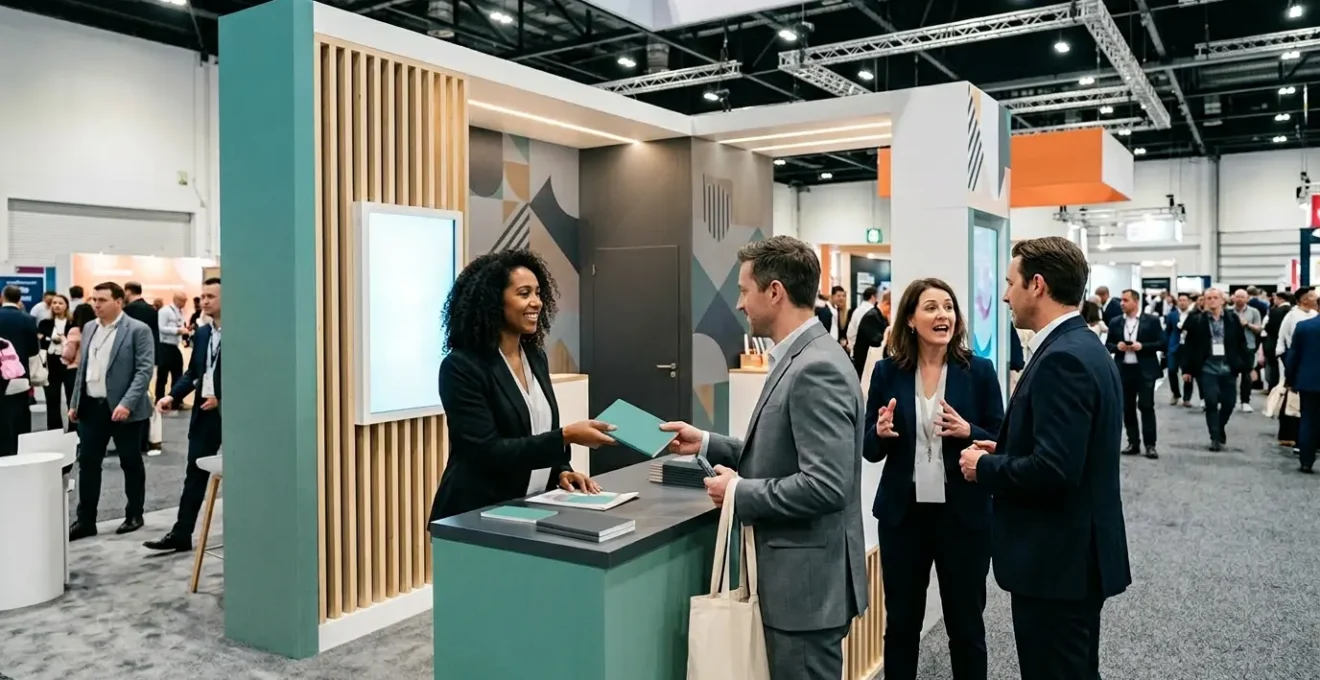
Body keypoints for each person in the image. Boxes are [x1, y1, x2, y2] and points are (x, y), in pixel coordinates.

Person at [659, 236, 868, 680]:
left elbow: (826, 486)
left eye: (743, 290)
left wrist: (738, 492)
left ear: (775, 292)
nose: (739, 304)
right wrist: (707, 442)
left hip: (805, 591)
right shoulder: (804, 357)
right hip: (800, 586)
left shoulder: (815, 367)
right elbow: (782, 453)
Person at [958, 236, 1130, 680]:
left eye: (1010, 283)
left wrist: (985, 467)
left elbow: (1055, 470)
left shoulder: (1063, 359)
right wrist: (1007, 450)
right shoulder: (1081, 345)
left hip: (1057, 562)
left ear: (1037, 285)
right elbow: (1071, 449)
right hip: (1071, 557)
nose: (1004, 296)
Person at [863, 278, 1003, 680]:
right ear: (910, 319)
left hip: (963, 517)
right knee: (901, 624)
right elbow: (869, 448)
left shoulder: (978, 371)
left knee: (966, 626)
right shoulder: (887, 372)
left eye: (948, 307)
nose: (943, 315)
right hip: (903, 518)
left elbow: (1002, 440)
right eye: (931, 307)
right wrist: (881, 432)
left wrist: (969, 431)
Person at [428, 249, 613, 522]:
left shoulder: (535, 357)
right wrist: (565, 436)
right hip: (476, 514)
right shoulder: (461, 367)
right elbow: (486, 453)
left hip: (530, 509)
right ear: (494, 301)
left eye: (538, 293)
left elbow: (537, 428)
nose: (536, 302)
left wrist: (561, 470)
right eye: (524, 293)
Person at [68, 282, 156, 540]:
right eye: (94, 299)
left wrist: (127, 403)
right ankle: (86, 520)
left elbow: (144, 371)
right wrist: (75, 402)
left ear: (119, 301)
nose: (96, 304)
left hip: (123, 409)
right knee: (88, 464)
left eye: (102, 300)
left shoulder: (137, 330)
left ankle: (134, 514)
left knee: (130, 461)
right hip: (91, 407)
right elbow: (83, 369)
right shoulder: (89, 327)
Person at [145, 279, 223, 552]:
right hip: (204, 414)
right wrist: (172, 396)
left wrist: (223, 397)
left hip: (235, 417)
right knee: (195, 472)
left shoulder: (244, 332)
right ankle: (181, 533)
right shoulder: (202, 334)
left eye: (211, 296)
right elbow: (193, 373)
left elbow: (253, 375)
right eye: (203, 296)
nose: (205, 301)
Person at [1180, 288, 1250, 452]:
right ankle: (1215, 437)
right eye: (1208, 298)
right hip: (1207, 367)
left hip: (1228, 366)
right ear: (1204, 301)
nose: (1212, 301)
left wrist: (1247, 366)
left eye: (1215, 298)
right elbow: (1189, 346)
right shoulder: (1197, 320)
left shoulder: (1232, 319)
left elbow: (1241, 343)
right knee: (1211, 402)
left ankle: (1220, 426)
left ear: (1222, 301)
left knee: (1229, 403)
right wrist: (1186, 369)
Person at [1105, 289, 1165, 459]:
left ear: (1136, 302)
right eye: (1121, 300)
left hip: (1145, 370)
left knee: (1146, 406)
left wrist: (1143, 346)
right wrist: (1117, 347)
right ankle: (1133, 442)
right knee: (1127, 408)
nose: (1122, 303)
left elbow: (1162, 343)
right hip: (1124, 370)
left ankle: (1150, 445)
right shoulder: (1116, 322)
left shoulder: (1151, 321)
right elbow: (1108, 344)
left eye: (1126, 300)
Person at [1276, 287, 1317, 448]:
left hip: (1308, 363)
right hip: (1293, 361)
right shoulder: (1292, 316)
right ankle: (1289, 434)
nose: (1316, 298)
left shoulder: (1313, 315)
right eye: (1312, 296)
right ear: (1303, 299)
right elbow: (1284, 340)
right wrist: (1288, 366)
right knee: (1292, 400)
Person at [0, 285, 38, 454]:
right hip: (19, 373)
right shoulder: (28, 319)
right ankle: (20, 450)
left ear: (2, 297)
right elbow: (34, 350)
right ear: (19, 299)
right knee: (20, 412)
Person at [1285, 314, 1320, 474]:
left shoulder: (1304, 326)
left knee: (1308, 420)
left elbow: (1293, 355)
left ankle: (1306, 460)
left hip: (1309, 381)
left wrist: (1290, 379)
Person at [37, 294, 74, 431]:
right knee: (52, 399)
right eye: (54, 303)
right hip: (50, 363)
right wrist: (49, 339)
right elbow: (40, 338)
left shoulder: (72, 324)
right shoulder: (45, 323)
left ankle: (73, 431)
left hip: (69, 364)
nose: (57, 305)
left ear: (66, 306)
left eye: (60, 303)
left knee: (71, 399)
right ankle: (54, 430)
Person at [1231, 289, 1263, 412]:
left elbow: (1259, 329)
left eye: (1242, 297)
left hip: (1249, 346)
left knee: (1246, 375)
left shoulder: (1254, 311)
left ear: (1247, 298)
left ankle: (1245, 401)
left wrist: (1247, 324)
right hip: (1232, 347)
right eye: (1237, 296)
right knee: (1230, 375)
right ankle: (1230, 400)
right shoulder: (1228, 311)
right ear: (1233, 298)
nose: (1239, 299)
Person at [1263, 291, 1294, 392]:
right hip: (1288, 344)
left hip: (1274, 344)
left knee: (1274, 369)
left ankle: (1273, 390)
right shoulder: (1293, 310)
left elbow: (1270, 327)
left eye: (1275, 299)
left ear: (1281, 299)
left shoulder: (1275, 311)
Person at [1165, 293, 1191, 405]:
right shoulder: (1172, 315)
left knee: (1188, 372)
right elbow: (1168, 331)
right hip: (1174, 346)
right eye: (1180, 300)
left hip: (1188, 347)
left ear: (1188, 302)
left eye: (1184, 300)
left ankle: (1187, 398)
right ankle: (1175, 394)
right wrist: (1166, 347)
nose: (1182, 302)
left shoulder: (1193, 315)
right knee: (1171, 370)